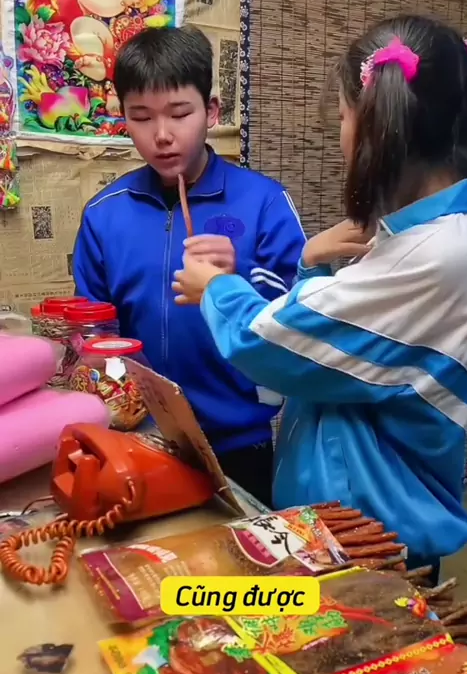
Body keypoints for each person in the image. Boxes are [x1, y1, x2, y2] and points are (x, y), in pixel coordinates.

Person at [173, 15, 467, 581]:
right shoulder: (423, 237)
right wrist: (309, 261)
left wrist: (216, 287)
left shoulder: (439, 252)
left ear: (376, 123)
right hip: (336, 521)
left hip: (369, 540)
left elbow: (272, 342)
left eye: (341, 117)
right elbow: (330, 344)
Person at [73, 25, 306, 505]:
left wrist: (238, 276)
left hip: (241, 442)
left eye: (180, 114)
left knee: (240, 554)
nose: (162, 136)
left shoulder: (264, 202)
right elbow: (93, 335)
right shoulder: (104, 214)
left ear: (211, 111)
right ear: (123, 117)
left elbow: (301, 318)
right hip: (140, 440)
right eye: (141, 118)